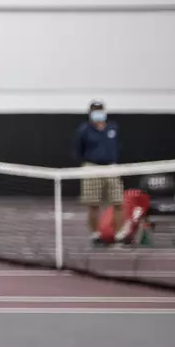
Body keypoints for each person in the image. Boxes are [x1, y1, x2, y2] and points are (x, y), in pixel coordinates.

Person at [74, 99, 126, 241]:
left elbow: (117, 146)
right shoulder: (84, 130)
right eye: (95, 111)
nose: (98, 114)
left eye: (100, 111)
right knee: (93, 204)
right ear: (90, 113)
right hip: (92, 168)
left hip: (111, 167)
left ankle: (119, 234)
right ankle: (95, 234)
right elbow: (79, 150)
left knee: (117, 202)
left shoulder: (113, 128)